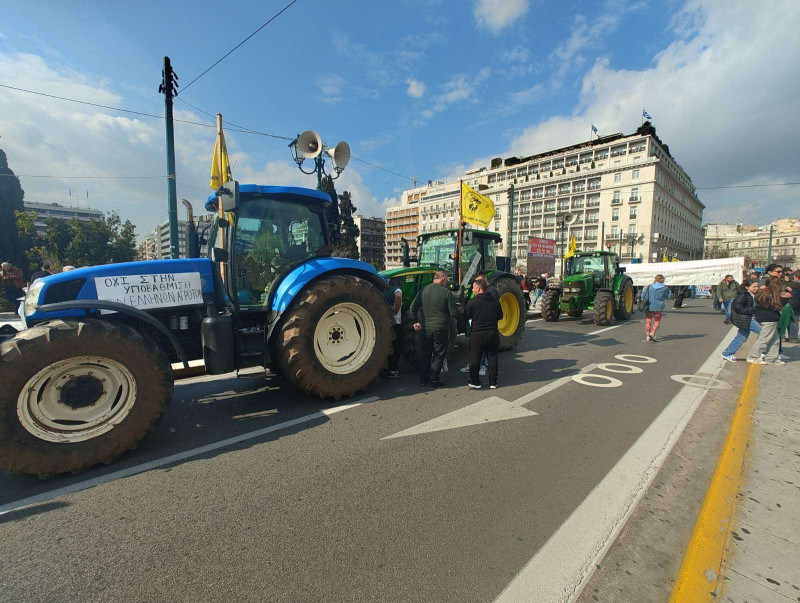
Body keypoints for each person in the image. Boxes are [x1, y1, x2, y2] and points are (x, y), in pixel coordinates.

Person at [410, 270, 456, 388]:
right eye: (446, 280)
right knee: (438, 355)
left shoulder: (423, 290)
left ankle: (423, 379)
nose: (447, 282)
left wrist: (415, 321)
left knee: (425, 354)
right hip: (441, 328)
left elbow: (413, 306)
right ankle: (433, 380)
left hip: (426, 328)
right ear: (443, 279)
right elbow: (453, 313)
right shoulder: (446, 293)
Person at [465, 278, 503, 389]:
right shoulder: (495, 302)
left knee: (475, 358)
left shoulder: (473, 302)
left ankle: (475, 381)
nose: (473, 289)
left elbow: (466, 316)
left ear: (478, 288)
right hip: (492, 333)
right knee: (492, 357)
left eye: (473, 287)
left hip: (477, 333)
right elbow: (500, 316)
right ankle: (493, 382)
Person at [747, 278, 790, 365]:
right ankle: (752, 357)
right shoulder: (772, 295)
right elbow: (778, 307)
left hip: (763, 317)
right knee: (764, 339)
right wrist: (785, 299)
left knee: (775, 340)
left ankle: (771, 358)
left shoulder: (763, 292)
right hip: (769, 319)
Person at [721, 280, 761, 361]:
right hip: (746, 319)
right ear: (747, 287)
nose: (757, 288)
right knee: (763, 333)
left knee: (742, 337)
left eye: (757, 286)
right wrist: (752, 310)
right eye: (754, 287)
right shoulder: (743, 295)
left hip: (748, 319)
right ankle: (759, 354)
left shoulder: (754, 295)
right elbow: (737, 307)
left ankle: (727, 353)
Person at [383, 278, 404, 379]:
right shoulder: (397, 290)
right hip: (396, 323)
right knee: (397, 348)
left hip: (386, 323)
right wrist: (396, 309)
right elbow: (398, 296)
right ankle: (393, 370)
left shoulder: (385, 292)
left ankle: (386, 368)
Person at [642, 274, 670, 342]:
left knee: (648, 321)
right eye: (663, 279)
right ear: (661, 279)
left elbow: (643, 295)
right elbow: (667, 296)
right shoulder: (665, 287)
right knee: (657, 320)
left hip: (649, 305)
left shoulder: (649, 286)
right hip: (659, 306)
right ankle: (653, 333)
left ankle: (648, 336)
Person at [787, 271, 800, 343]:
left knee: (785, 320)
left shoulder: (790, 284)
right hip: (797, 305)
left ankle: (782, 336)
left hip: (788, 303)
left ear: (796, 276)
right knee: (794, 321)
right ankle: (793, 337)